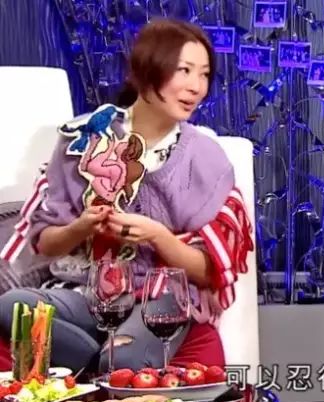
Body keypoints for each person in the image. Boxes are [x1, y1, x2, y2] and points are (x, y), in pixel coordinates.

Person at [0, 18, 253, 373]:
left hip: (162, 295)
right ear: (146, 70)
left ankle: (106, 363)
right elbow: (45, 243)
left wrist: (157, 236)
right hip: (89, 293)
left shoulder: (206, 159)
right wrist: (82, 226)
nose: (196, 87)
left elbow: (209, 273)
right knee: (12, 306)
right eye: (184, 70)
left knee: (125, 359)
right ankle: (102, 364)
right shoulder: (84, 138)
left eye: (204, 74)